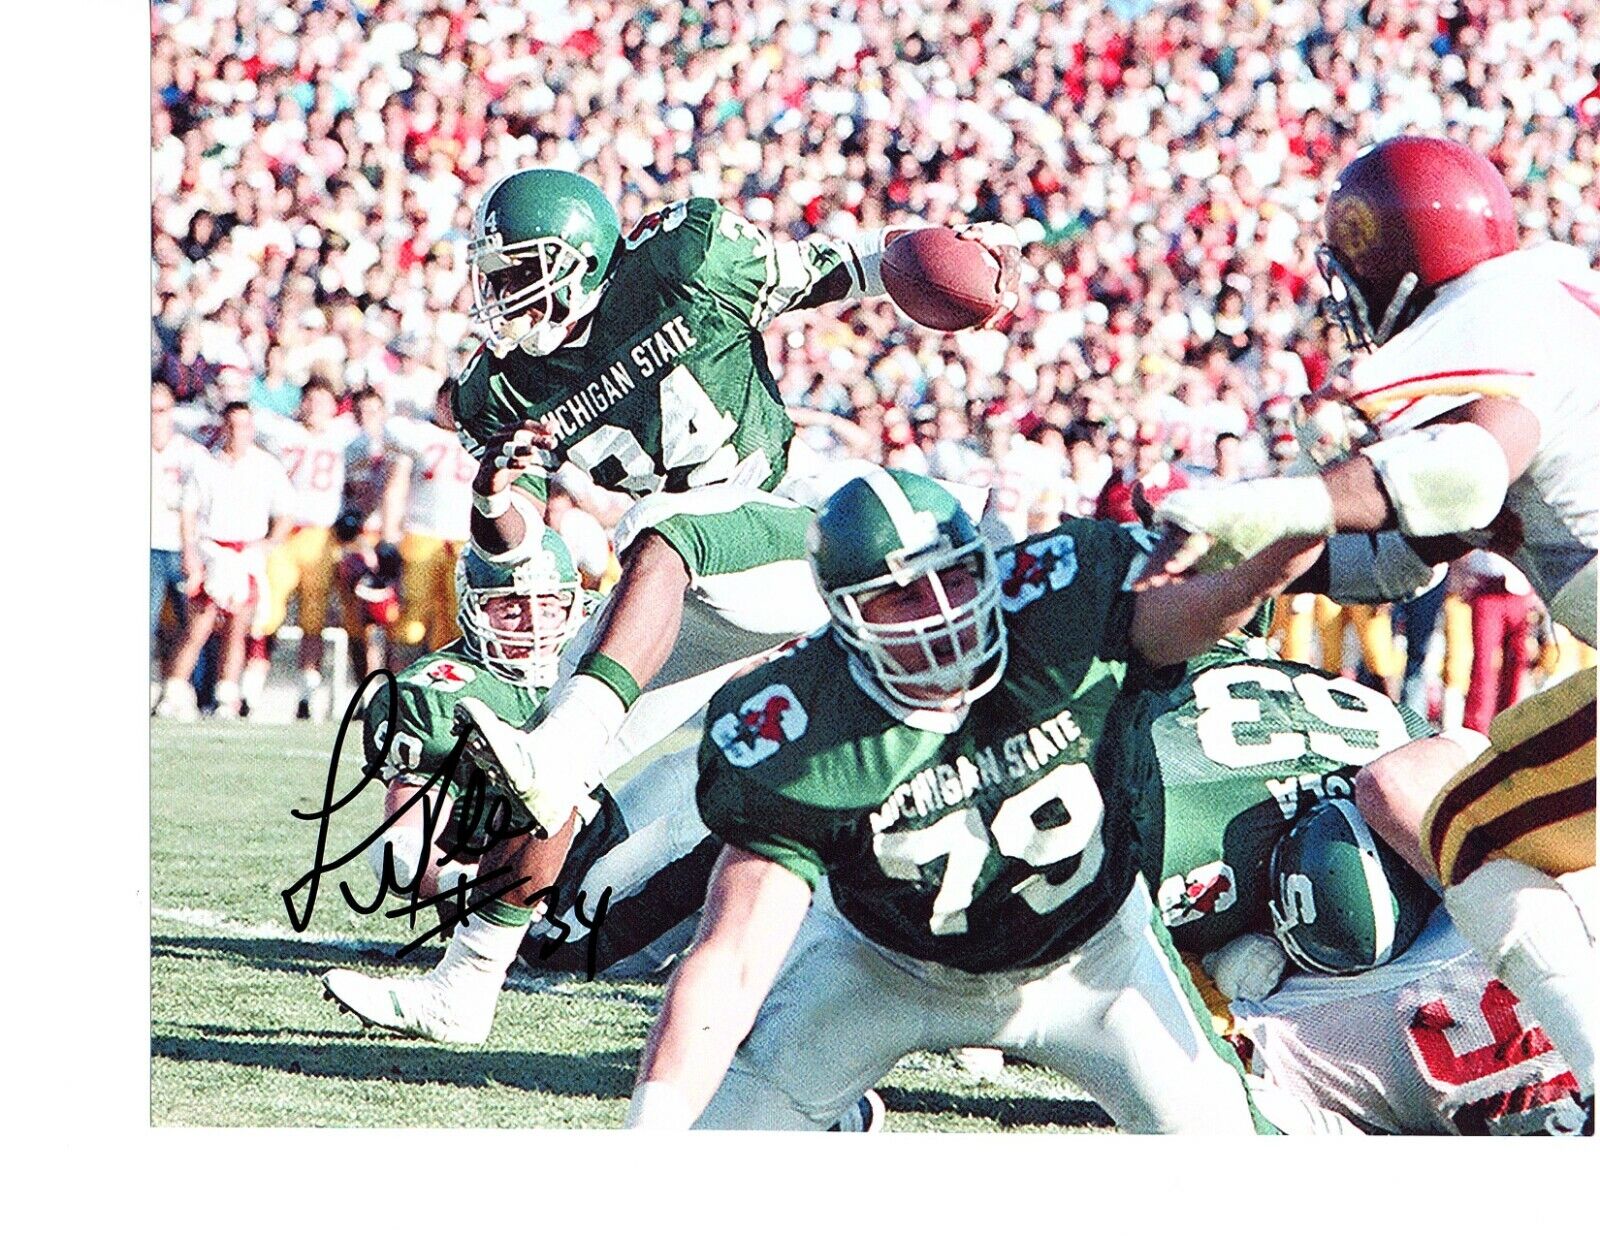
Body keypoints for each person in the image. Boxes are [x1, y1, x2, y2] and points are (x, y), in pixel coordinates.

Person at [623, 468, 1323, 1131]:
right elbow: (733, 957)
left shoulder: (1063, 607)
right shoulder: (800, 723)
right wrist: (651, 1128)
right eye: (903, 597)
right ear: (845, 614)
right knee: (707, 1158)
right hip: (879, 965)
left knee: (1231, 1167)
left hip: (1094, 958)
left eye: (955, 578)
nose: (943, 614)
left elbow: (1229, 600)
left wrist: (1305, 500)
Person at [1141, 135, 1598, 1103]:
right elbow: (1395, 556)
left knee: (1455, 820)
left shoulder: (1499, 322)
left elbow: (1467, 469)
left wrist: (1281, 501)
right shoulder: (1546, 306)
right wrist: (1243, 567)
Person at [447, 168, 1020, 841]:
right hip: (687, 584)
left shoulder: (681, 262)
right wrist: (492, 493)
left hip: (795, 519)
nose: (505, 296)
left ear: (584, 259)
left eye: (520, 274)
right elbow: (513, 547)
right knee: (495, 797)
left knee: (997, 536)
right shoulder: (499, 391)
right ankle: (502, 935)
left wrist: (957, 250)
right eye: (498, 277)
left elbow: (847, 267)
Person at [321, 451, 718, 1044]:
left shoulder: (588, 652)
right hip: (559, 916)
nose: (532, 622)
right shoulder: (437, 691)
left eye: (548, 604)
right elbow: (405, 848)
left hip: (600, 839)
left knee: (720, 765)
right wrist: (482, 889)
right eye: (511, 604)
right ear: (474, 606)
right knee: (730, 804)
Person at [154, 401, 292, 718]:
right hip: (214, 551)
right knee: (199, 625)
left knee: (237, 626)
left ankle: (226, 693)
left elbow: (285, 512)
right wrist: (190, 551)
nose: (237, 433)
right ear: (223, 426)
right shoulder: (207, 464)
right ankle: (173, 690)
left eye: (244, 426)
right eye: (232, 425)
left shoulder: (266, 466)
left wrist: (269, 544)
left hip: (245, 555)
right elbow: (189, 510)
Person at [249, 376, 362, 718]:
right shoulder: (284, 431)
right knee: (266, 612)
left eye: (324, 402)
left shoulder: (345, 436)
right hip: (284, 534)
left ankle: (306, 694)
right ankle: (249, 689)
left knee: (314, 616)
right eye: (311, 401)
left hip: (321, 537)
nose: (316, 409)